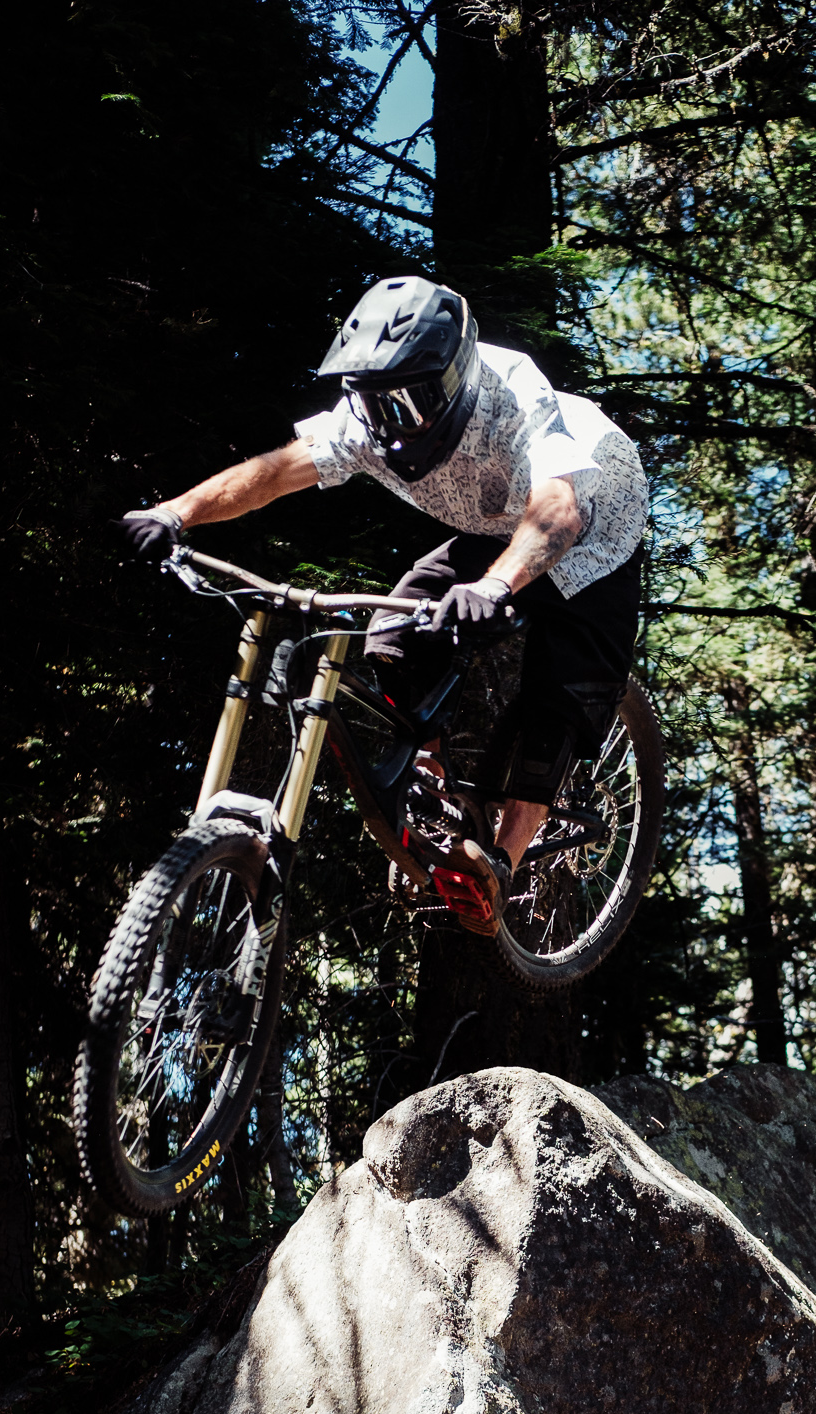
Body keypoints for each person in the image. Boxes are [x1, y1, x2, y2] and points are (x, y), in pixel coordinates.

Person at [117, 275, 649, 934]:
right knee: (394, 637)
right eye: (375, 402)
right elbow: (274, 474)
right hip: (497, 525)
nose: (387, 420)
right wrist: (175, 513)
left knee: (560, 694)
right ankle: (429, 791)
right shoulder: (366, 420)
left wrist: (491, 586)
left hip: (592, 525)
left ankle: (499, 865)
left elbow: (558, 512)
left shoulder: (516, 395)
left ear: (453, 378)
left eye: (406, 400)